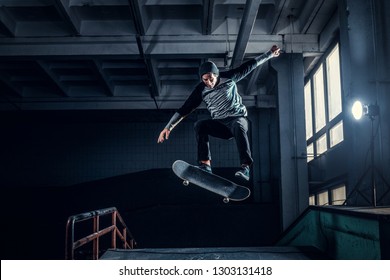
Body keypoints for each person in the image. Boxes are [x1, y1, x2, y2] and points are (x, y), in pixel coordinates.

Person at [157, 45, 281, 181]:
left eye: (211, 78)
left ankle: (245, 167)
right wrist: (168, 127)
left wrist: (270, 54)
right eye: (205, 80)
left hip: (237, 119)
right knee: (200, 125)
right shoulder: (200, 90)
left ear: (216, 75)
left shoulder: (230, 77)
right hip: (221, 125)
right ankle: (205, 165)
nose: (209, 83)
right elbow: (185, 109)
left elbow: (251, 65)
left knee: (238, 124)